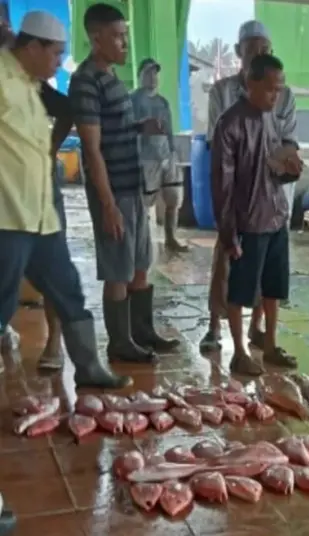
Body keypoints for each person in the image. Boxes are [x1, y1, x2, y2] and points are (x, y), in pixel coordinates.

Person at [0, 10, 130, 390]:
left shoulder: (29, 83)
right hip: (8, 217)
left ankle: (89, 368)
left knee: (68, 288)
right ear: (33, 47)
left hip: (43, 216)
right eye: (55, 54)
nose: (59, 63)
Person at [68, 3, 178, 363]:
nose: (124, 44)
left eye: (125, 36)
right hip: (113, 191)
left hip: (134, 188)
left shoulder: (113, 79)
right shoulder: (85, 81)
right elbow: (93, 149)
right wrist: (108, 204)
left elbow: (114, 128)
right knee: (118, 268)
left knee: (140, 262)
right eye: (117, 37)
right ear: (95, 38)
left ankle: (141, 331)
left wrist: (139, 127)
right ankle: (120, 342)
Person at [200, 20, 299, 359]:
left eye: (265, 48)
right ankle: (231, 342)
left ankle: (266, 341)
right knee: (236, 283)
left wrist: (289, 167)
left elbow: (281, 156)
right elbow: (222, 177)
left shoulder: (274, 114)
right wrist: (227, 227)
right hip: (245, 217)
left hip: (274, 214)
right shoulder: (229, 115)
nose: (276, 95)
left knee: (272, 284)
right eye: (253, 47)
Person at [131, 57, 187, 253]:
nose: (153, 77)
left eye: (155, 73)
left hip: (166, 156)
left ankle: (170, 238)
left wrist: (173, 153)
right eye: (148, 73)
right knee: (144, 203)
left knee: (173, 198)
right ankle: (142, 242)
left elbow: (169, 129)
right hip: (145, 157)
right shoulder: (133, 100)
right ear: (140, 76)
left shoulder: (163, 102)